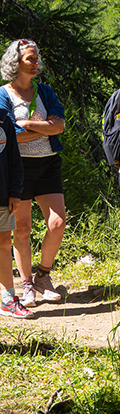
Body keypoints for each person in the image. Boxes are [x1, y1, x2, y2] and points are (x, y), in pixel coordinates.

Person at [0, 40, 66, 306]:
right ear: (16, 63)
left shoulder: (45, 92)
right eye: (31, 59)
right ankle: (26, 285)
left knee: (57, 223)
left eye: (37, 58)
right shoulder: (4, 95)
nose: (36, 62)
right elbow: (7, 136)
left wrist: (27, 124)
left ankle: (43, 275)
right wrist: (43, 126)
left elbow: (59, 125)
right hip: (19, 168)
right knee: (23, 228)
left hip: (48, 163)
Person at [0, 95, 32, 319]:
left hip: (2, 194)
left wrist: (14, 191)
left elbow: (14, 158)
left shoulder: (3, 118)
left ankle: (7, 298)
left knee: (3, 242)